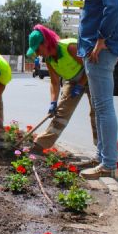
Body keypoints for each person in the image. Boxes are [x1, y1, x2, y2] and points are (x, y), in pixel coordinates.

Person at [64, 0, 118, 179]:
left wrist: (101, 39)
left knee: (103, 107)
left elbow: (114, 8)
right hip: (93, 50)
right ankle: (102, 157)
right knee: (99, 108)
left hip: (100, 50)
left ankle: (108, 164)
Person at [26, 25, 97, 163]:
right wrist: (53, 102)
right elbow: (54, 82)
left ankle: (101, 151)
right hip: (72, 81)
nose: (37, 54)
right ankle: (40, 145)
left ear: (45, 43)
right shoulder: (49, 59)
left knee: (96, 113)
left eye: (38, 49)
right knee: (61, 114)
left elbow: (89, 67)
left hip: (91, 77)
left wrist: (81, 84)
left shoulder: (69, 47)